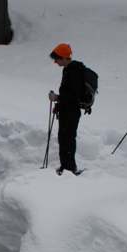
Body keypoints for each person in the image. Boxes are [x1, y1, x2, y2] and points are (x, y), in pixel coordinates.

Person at [48, 43, 85, 175]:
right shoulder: (68, 70)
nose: (55, 62)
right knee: (64, 139)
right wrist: (59, 104)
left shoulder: (74, 71)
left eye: (57, 59)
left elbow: (74, 96)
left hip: (71, 112)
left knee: (68, 139)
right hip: (67, 110)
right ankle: (65, 166)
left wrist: (57, 98)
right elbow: (67, 94)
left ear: (64, 57)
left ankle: (70, 168)